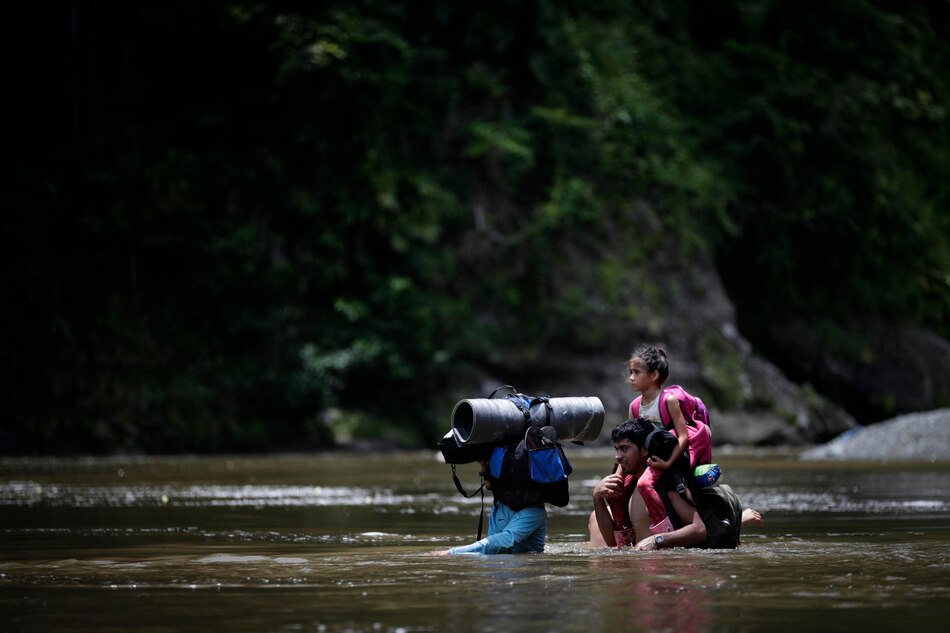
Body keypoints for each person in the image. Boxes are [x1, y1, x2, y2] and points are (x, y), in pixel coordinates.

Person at [589, 418, 761, 549]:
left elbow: (699, 530)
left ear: (644, 450)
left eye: (625, 449)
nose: (617, 457)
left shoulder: (664, 484)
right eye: (616, 449)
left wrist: (657, 539)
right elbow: (612, 543)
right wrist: (597, 498)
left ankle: (738, 520)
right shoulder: (628, 487)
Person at [623, 345, 713, 536]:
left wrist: (667, 463)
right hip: (647, 459)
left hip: (670, 458)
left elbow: (683, 437)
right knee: (618, 488)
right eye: (630, 372)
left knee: (644, 485)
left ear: (654, 375)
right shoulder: (634, 407)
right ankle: (622, 535)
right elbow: (632, 443)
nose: (631, 377)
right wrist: (619, 472)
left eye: (636, 372)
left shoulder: (668, 401)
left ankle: (664, 531)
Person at [432, 458, 548, 555]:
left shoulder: (534, 511)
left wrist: (451, 553)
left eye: (487, 467)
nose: (482, 473)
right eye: (482, 467)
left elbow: (503, 541)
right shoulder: (500, 503)